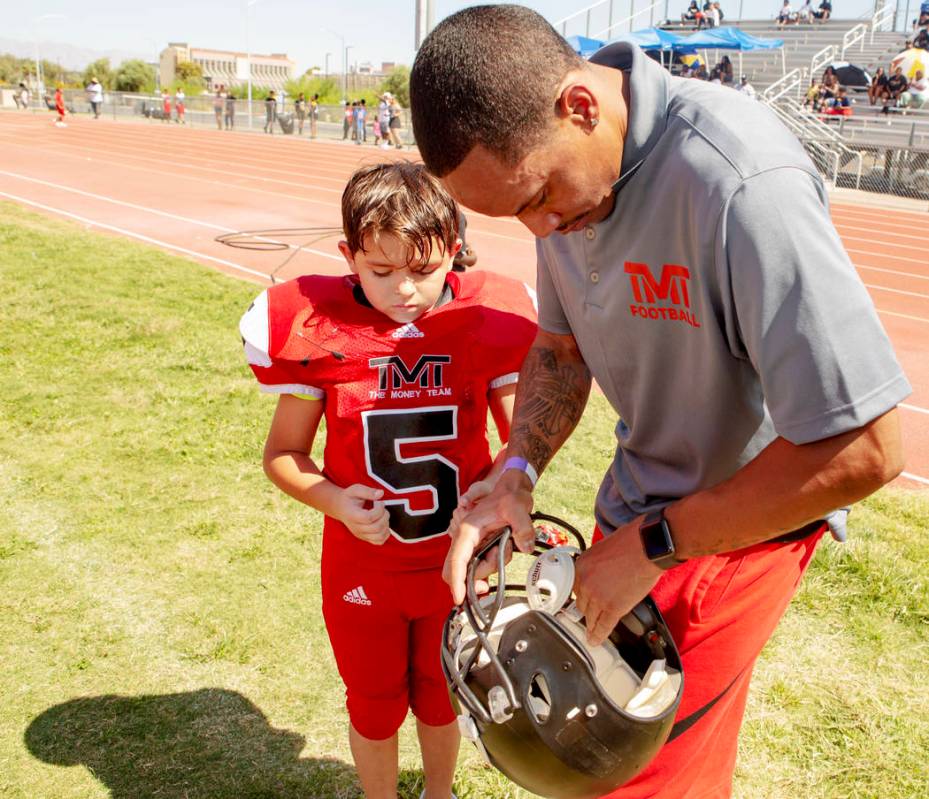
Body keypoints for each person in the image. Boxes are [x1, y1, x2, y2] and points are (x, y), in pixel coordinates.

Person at [409, 6, 909, 798]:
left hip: (735, 527)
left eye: (541, 195)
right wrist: (515, 468)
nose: (544, 227)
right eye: (516, 216)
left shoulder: (742, 179)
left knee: (623, 768)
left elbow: (867, 448)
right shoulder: (562, 176)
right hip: (641, 509)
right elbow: (559, 348)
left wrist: (650, 546)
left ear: (579, 105)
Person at [239, 160, 537, 799]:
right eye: (381, 271)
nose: (404, 289)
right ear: (349, 256)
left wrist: (503, 491)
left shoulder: (487, 321)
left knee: (443, 695)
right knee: (373, 704)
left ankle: (439, 792)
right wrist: (337, 501)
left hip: (454, 560)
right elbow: (283, 454)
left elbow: (523, 444)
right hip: (362, 564)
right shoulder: (319, 329)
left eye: (424, 270)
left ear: (454, 252)